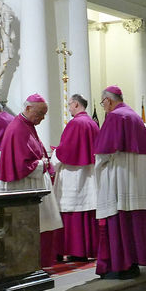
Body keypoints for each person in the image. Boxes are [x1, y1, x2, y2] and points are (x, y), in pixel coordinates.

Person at [93, 86, 146, 279]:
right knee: (132, 225)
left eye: (103, 103)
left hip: (119, 180)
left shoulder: (115, 117)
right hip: (135, 182)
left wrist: (98, 166)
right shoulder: (134, 116)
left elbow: (104, 153)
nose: (103, 107)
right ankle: (132, 264)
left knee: (117, 222)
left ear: (108, 100)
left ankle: (118, 266)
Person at [0, 94, 63, 268]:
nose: (42, 118)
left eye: (44, 114)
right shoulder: (17, 129)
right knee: (32, 227)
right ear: (27, 108)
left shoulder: (27, 125)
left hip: (35, 183)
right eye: (40, 114)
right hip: (25, 185)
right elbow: (20, 165)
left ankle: (40, 263)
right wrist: (43, 163)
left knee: (43, 224)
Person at [52, 94, 100, 261]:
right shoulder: (92, 123)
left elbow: (64, 151)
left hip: (73, 176)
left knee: (72, 211)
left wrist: (52, 160)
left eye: (69, 105)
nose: (69, 108)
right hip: (90, 173)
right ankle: (87, 250)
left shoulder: (75, 123)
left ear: (76, 104)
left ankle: (75, 251)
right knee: (87, 211)